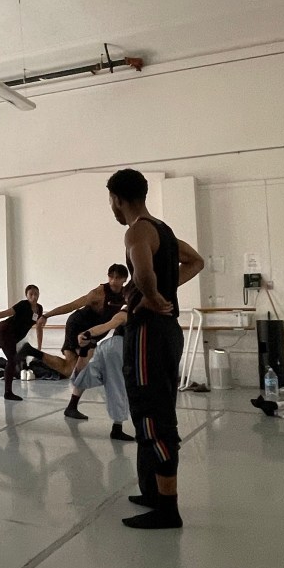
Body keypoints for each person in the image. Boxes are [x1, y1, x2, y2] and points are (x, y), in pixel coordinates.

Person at [107, 168, 204, 529]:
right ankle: (152, 492)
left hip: (149, 333)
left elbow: (143, 270)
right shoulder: (164, 229)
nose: (112, 209)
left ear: (118, 199)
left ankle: (168, 507)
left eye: (111, 202)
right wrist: (166, 290)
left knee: (152, 415)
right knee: (150, 410)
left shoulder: (137, 230)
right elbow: (196, 261)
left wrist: (151, 294)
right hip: (166, 332)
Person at [20, 265, 129, 382]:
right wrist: (47, 315)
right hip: (78, 326)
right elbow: (72, 306)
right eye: (110, 277)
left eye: (117, 278)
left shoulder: (125, 294)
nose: (113, 281)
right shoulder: (98, 293)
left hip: (94, 331)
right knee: (77, 365)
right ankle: (32, 353)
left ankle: (32, 352)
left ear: (124, 279)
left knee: (68, 370)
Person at [65, 308, 135, 439]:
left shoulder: (136, 313)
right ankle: (117, 428)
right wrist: (89, 333)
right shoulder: (128, 314)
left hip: (106, 347)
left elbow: (107, 325)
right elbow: (108, 325)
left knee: (91, 374)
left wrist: (87, 334)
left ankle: (79, 370)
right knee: (118, 385)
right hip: (119, 349)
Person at [0, 285, 44, 402]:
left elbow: (39, 327)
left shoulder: (39, 309)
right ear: (26, 296)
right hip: (4, 330)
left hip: (8, 334)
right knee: (12, 359)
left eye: (36, 294)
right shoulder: (23, 305)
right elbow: (6, 312)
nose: (34, 297)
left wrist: (39, 346)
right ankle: (8, 392)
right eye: (31, 294)